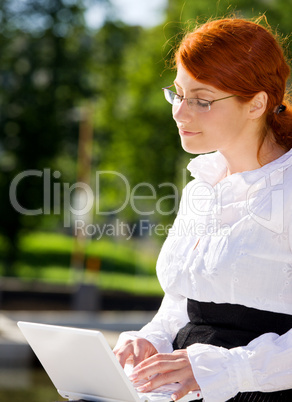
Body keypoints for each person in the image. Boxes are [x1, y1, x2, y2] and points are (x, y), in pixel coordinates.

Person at [113, 17, 292, 402]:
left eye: (201, 100)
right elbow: (184, 301)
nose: (180, 112)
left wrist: (225, 369)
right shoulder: (203, 187)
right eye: (178, 94)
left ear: (256, 103)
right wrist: (151, 340)